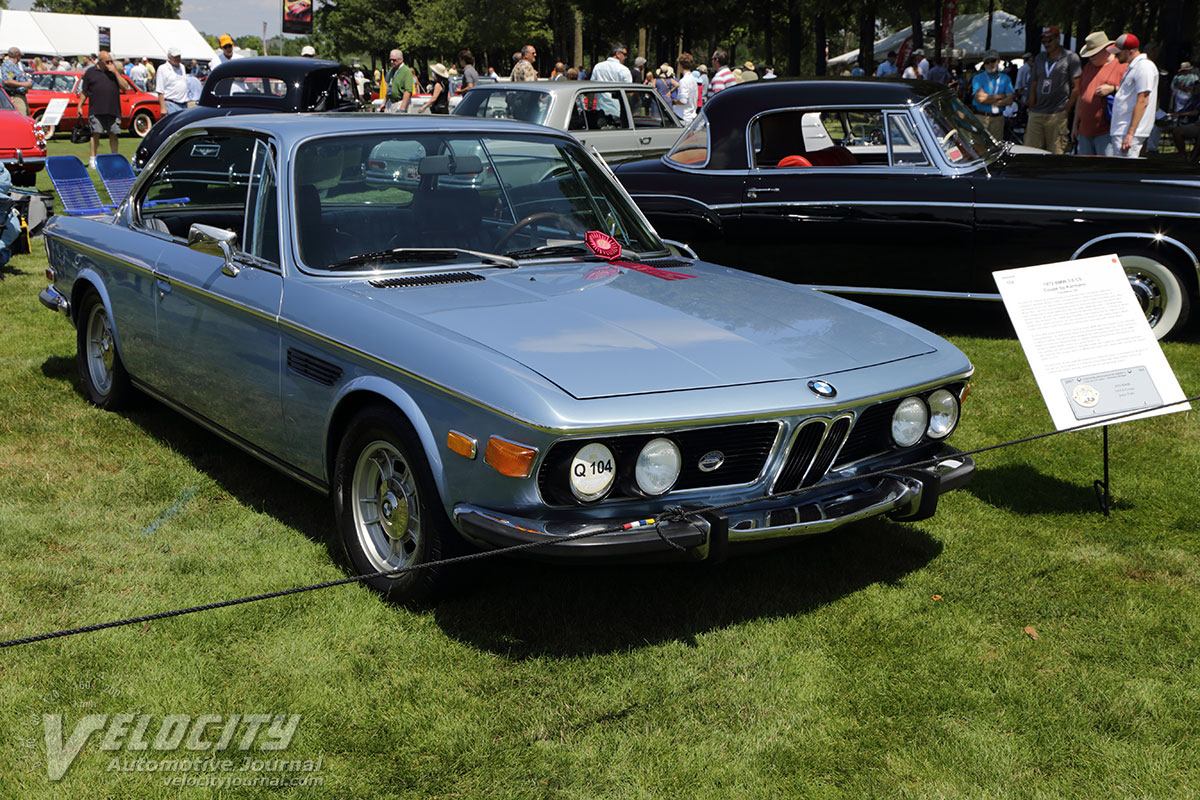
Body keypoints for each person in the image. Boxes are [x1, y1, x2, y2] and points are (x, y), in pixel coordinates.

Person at [1098, 33, 1159, 158]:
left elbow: (1143, 100)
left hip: (1129, 132)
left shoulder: (1144, 67)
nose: (1115, 55)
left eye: (1118, 52)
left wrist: (1130, 133)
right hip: (1122, 130)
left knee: (1125, 168)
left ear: (1130, 51)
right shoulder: (1133, 67)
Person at [1026, 26, 1082, 154]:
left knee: (1056, 153)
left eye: (1049, 40)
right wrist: (1031, 106)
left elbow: (1077, 87)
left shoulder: (1070, 57)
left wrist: (1066, 110)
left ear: (1058, 39)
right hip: (1036, 113)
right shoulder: (1040, 58)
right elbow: (1034, 83)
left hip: (1057, 113)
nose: (1046, 44)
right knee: (1030, 153)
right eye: (1044, 41)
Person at [1072, 31, 1125, 156]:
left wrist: (1112, 88)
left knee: (1105, 166)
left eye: (1094, 54)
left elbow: (1130, 94)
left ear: (1106, 49)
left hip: (1106, 132)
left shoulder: (1121, 66)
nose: (1091, 58)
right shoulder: (1088, 67)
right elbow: (1081, 97)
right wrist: (1075, 124)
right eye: (1089, 54)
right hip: (1084, 131)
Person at [79, 49, 134, 169]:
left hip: (113, 108)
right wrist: (80, 105)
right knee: (95, 133)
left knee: (114, 134)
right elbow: (84, 91)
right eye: (107, 61)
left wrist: (115, 72)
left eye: (111, 61)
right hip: (96, 108)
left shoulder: (114, 72)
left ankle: (114, 157)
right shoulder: (90, 72)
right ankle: (93, 159)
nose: (110, 63)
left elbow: (125, 87)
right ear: (100, 61)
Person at [971, 51, 1014, 141]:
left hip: (998, 119)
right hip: (981, 117)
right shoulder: (978, 78)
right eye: (987, 62)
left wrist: (987, 98)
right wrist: (1001, 96)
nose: (990, 64)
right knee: (980, 144)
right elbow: (979, 98)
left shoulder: (1006, 79)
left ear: (998, 61)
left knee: (997, 145)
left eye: (993, 61)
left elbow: (1010, 100)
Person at [155, 46, 189, 118]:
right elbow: (160, 90)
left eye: (179, 56)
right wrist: (163, 108)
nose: (178, 59)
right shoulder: (163, 68)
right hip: (171, 104)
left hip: (184, 104)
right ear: (169, 57)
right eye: (175, 57)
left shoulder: (182, 67)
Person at [1169, 82, 1200, 160]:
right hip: (1183, 121)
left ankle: (1192, 158)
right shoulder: (1191, 99)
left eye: (1197, 88)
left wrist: (1181, 114)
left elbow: (1195, 112)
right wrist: (1175, 114)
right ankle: (1184, 157)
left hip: (1194, 123)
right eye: (1194, 88)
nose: (1194, 90)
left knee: (1177, 131)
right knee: (1157, 125)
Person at [2, 48, 32, 115]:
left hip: (20, 95)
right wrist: (24, 84)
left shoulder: (15, 65)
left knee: (26, 116)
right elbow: (7, 81)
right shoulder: (8, 65)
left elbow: (11, 78)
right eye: (20, 56)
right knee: (22, 116)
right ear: (17, 55)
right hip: (15, 96)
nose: (20, 58)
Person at [673, 53, 698, 124]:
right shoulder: (693, 79)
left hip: (683, 117)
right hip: (691, 115)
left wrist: (674, 101)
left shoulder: (683, 81)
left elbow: (683, 101)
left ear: (680, 65)